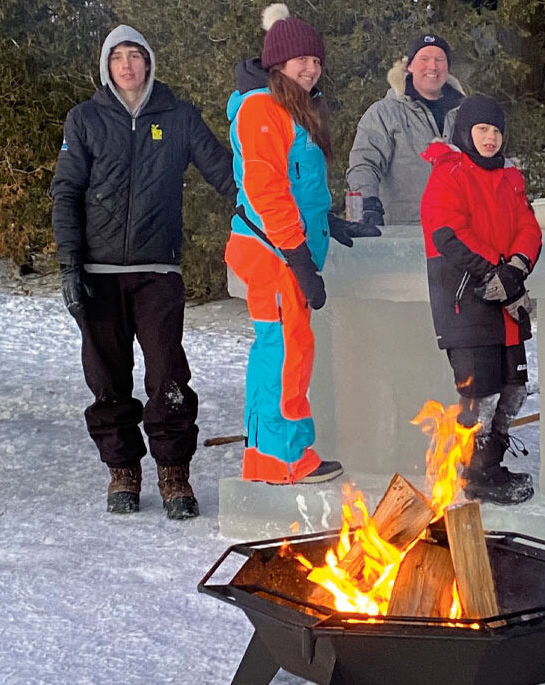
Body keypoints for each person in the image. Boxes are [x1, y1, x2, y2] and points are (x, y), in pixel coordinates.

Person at [51, 25, 236, 520]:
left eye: (135, 56)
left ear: (149, 62)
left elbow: (225, 173)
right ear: (107, 67)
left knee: (167, 375)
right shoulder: (85, 119)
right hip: (97, 270)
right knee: (107, 377)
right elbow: (66, 192)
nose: (128, 65)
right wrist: (70, 264)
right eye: (118, 58)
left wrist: (275, 210)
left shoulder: (177, 117)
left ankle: (174, 470)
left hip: (157, 269)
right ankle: (123, 469)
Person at [225, 5, 376, 485]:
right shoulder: (261, 108)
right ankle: (286, 459)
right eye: (299, 60)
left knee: (279, 348)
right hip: (274, 252)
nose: (310, 67)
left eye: (315, 59)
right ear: (277, 65)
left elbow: (297, 185)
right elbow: (266, 190)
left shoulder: (295, 107)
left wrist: (325, 221)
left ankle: (267, 455)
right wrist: (298, 257)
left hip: (288, 246)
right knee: (286, 351)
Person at [419, 95, 542, 505]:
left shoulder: (510, 177)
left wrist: (515, 269)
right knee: (481, 391)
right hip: (466, 299)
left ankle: (492, 464)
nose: (490, 138)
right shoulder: (448, 173)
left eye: (496, 131)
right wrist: (495, 271)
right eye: (482, 130)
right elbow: (447, 233)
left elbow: (528, 225)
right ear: (465, 133)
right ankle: (473, 470)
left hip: (505, 297)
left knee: (513, 388)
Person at [347, 33, 466, 226]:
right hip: (405, 233)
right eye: (424, 59)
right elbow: (365, 163)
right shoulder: (384, 112)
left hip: (458, 233)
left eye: (440, 60)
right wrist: (368, 202)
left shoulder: (465, 114)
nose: (432, 66)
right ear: (409, 66)